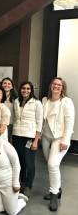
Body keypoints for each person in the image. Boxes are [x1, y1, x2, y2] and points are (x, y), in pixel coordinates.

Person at [41, 77, 75, 211]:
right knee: (49, 164)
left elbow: (69, 122)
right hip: (46, 137)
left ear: (63, 88)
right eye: (54, 84)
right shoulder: (45, 100)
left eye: (59, 85)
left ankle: (54, 195)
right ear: (51, 86)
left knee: (52, 164)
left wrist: (65, 140)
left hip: (59, 138)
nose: (56, 86)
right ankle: (57, 188)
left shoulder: (66, 102)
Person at [12, 81, 43, 197]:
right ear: (20, 90)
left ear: (31, 90)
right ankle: (22, 183)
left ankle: (29, 186)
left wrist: (36, 140)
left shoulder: (36, 103)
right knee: (20, 162)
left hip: (29, 137)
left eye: (28, 89)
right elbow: (15, 119)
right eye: (23, 88)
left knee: (29, 163)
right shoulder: (16, 102)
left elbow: (40, 122)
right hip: (17, 136)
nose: (25, 91)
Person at [1, 77, 18, 143]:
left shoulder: (15, 99)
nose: (6, 85)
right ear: (1, 85)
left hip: (10, 124)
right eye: (4, 83)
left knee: (9, 144)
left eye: (9, 84)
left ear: (12, 87)